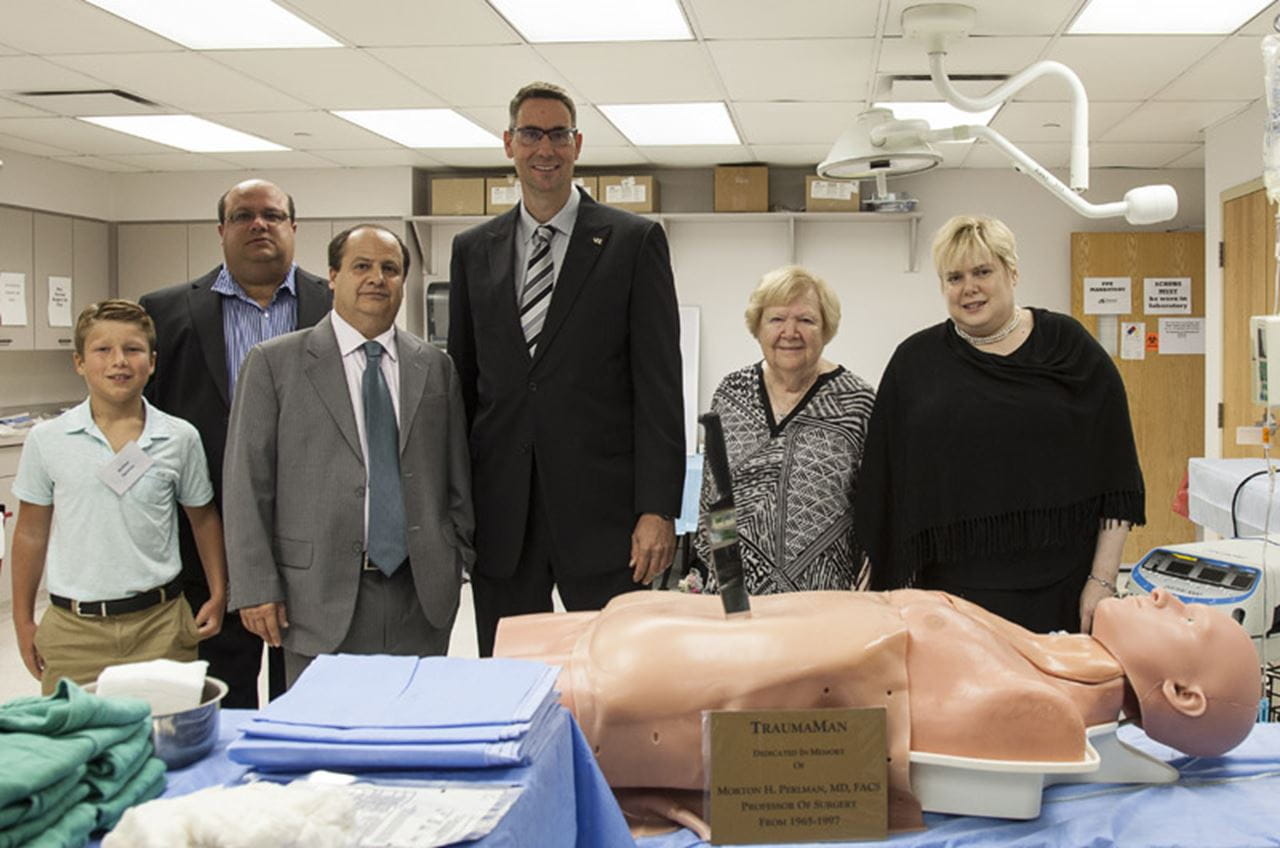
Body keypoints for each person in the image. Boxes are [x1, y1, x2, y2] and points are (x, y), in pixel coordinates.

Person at [496, 587, 1261, 835]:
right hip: (742, 636)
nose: (1166, 593)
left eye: (1188, 620)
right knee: (624, 625)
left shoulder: (1043, 708)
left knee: (581, 675)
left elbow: (864, 721)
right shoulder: (1049, 658)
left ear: (1184, 697)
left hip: (715, 680)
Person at [448, 81, 684, 657]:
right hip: (503, 519)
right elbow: (463, 388)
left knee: (614, 679)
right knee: (507, 679)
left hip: (606, 522)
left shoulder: (633, 241)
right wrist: (455, 511)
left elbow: (660, 388)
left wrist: (659, 509)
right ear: (509, 144)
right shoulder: (473, 249)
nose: (544, 148)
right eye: (531, 134)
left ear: (577, 144)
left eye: (558, 134)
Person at [854, 214, 1145, 633]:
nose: (969, 287)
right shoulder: (915, 363)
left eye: (983, 271)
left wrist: (1102, 581)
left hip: (1062, 591)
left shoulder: (1069, 347)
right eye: (954, 277)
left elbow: (1118, 479)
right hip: (949, 602)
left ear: (1012, 271)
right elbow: (882, 484)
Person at [223, 224, 472, 688]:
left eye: (390, 269)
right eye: (362, 266)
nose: (377, 278)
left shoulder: (434, 367)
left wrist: (456, 555)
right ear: (332, 276)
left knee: (413, 736)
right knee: (327, 743)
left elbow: (455, 475)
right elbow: (245, 485)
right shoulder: (275, 364)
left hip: (420, 596)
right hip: (315, 595)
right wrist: (256, 587)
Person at [140, 178, 332, 707]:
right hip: (211, 539)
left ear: (294, 228)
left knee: (311, 696)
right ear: (222, 230)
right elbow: (145, 425)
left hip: (314, 536)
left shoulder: (336, 303)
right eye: (244, 215)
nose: (258, 225)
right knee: (226, 699)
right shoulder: (167, 312)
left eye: (271, 215)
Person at [10, 300, 227, 694]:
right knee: (79, 747)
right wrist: (22, 619)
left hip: (161, 626)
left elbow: (204, 518)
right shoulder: (48, 440)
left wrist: (219, 591)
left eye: (132, 349)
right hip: (74, 631)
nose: (119, 362)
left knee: (165, 743)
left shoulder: (178, 437)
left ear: (153, 361)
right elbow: (30, 532)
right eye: (103, 350)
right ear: (79, 362)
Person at [694, 266, 875, 593]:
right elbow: (714, 498)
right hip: (736, 599)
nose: (790, 332)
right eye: (776, 319)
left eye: (806, 320)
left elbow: (875, 510)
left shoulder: (857, 402)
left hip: (824, 603)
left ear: (826, 328)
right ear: (758, 327)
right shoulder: (730, 393)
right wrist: (727, 588)